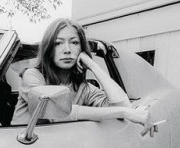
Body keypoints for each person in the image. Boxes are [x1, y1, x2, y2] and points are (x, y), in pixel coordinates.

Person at [11, 18, 154, 136]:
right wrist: (124, 112)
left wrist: (92, 65)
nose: (67, 50)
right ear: (49, 49)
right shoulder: (32, 76)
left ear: (81, 49)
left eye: (74, 43)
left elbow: (124, 105)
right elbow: (55, 113)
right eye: (58, 43)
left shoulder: (84, 88)